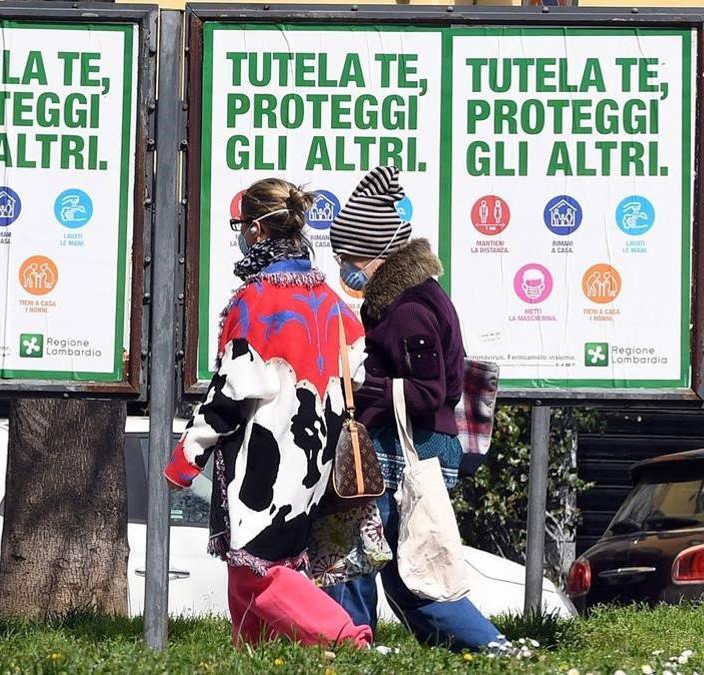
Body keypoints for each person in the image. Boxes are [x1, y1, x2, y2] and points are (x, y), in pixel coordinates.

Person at [163, 178, 371, 649]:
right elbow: (356, 370)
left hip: (263, 460)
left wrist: (188, 455)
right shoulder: (334, 302)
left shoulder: (254, 302)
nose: (238, 234)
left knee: (260, 571)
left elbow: (233, 389)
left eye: (240, 226)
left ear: (257, 230)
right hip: (316, 454)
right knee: (248, 568)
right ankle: (251, 655)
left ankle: (346, 638)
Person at [318, 165, 506, 652]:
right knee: (410, 569)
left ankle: (350, 643)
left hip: (407, 450)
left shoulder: (407, 309)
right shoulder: (416, 297)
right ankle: (479, 648)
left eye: (347, 256)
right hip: (417, 446)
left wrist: (363, 383)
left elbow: (431, 389)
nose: (344, 267)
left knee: (358, 552)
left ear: (376, 253)